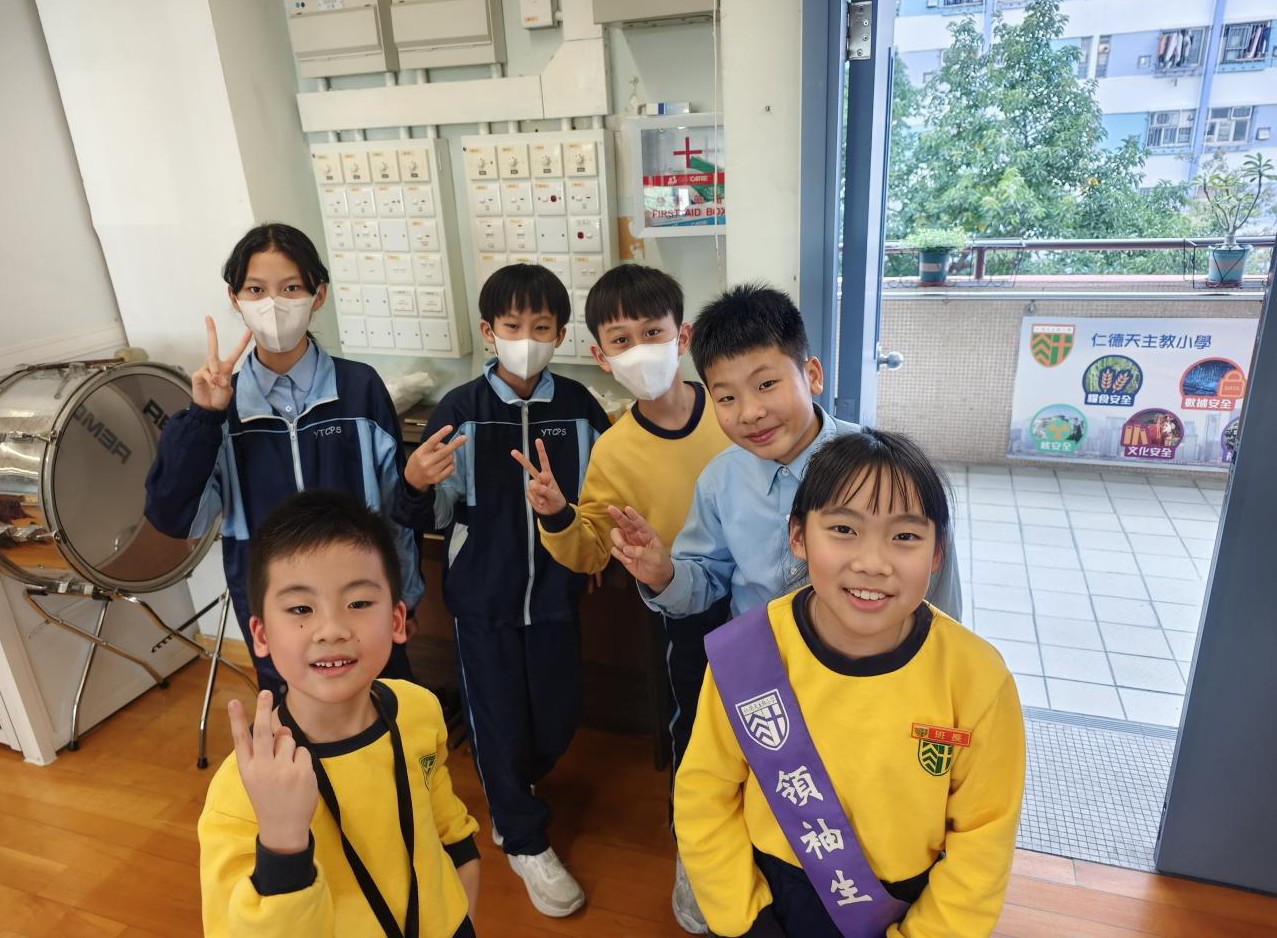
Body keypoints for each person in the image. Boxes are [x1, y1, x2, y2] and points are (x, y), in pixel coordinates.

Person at [675, 431, 1025, 937]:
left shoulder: (976, 678)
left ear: (937, 553)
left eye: (905, 537)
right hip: (768, 896)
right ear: (798, 536)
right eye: (843, 528)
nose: (872, 563)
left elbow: (983, 837)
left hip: (905, 907)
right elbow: (704, 791)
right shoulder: (747, 653)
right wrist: (743, 917)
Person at [512, 263, 731, 933]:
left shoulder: (731, 411)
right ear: (601, 355)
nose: (639, 350)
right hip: (686, 614)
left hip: (767, 602)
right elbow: (590, 549)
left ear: (681, 336)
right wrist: (556, 513)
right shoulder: (613, 449)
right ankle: (696, 861)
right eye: (621, 340)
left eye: (652, 332)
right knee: (698, 744)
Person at [393, 263, 610, 919]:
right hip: (483, 599)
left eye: (541, 327)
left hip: (556, 597)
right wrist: (416, 482)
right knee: (495, 721)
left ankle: (514, 785)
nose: (526, 339)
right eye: (512, 326)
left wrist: (591, 544)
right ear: (489, 332)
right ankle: (522, 837)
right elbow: (430, 514)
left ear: (561, 335)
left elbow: (602, 497)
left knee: (556, 716)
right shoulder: (462, 410)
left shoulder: (579, 407)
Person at [144, 223, 421, 696]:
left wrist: (406, 596)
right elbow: (176, 518)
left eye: (290, 288)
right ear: (235, 299)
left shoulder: (359, 388)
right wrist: (204, 418)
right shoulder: (221, 408)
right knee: (298, 722)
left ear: (318, 295)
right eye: (257, 290)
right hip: (276, 609)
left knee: (387, 708)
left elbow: (396, 508)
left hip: (363, 596)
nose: (273, 304)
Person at [198, 490, 479, 937]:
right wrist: (282, 843)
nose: (331, 630)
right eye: (300, 609)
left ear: (397, 620)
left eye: (359, 603)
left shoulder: (418, 708)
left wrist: (462, 904)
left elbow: (442, 813)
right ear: (261, 634)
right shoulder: (242, 790)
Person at [608, 282, 961, 630]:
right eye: (727, 398)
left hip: (864, 653)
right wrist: (664, 574)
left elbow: (938, 597)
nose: (750, 413)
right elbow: (704, 580)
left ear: (812, 376)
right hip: (760, 653)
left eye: (766, 385)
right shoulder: (720, 481)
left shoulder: (889, 472)